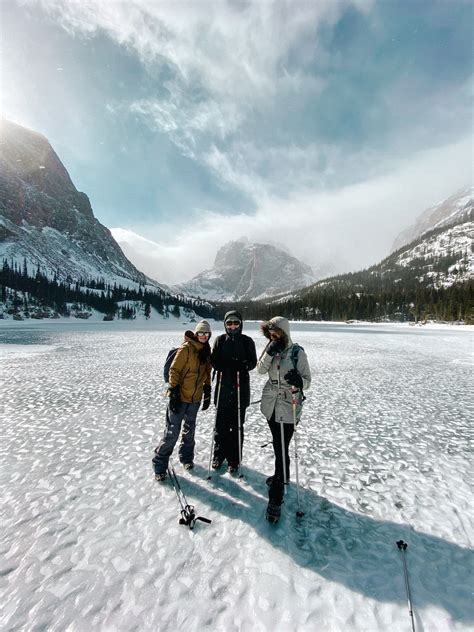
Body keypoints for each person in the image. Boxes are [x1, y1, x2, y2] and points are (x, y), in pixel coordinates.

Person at [257, 316, 311, 522]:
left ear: (285, 333)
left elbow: (308, 381)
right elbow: (260, 370)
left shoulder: (297, 353)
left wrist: (299, 381)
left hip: (289, 406)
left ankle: (276, 498)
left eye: (276, 333)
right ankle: (283, 476)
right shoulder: (270, 348)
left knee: (281, 446)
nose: (273, 337)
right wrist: (269, 353)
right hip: (271, 404)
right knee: (278, 446)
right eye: (270, 334)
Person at [152, 320, 212, 481]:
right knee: (172, 432)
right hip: (180, 397)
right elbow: (174, 370)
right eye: (201, 333)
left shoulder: (206, 350)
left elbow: (207, 372)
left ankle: (186, 459)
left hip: (195, 399)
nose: (203, 336)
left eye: (206, 333)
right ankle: (159, 464)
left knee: (189, 431)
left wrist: (207, 390)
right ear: (196, 333)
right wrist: (174, 391)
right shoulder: (186, 348)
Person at [210, 310, 257, 473]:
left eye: (236, 323)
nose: (232, 326)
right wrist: (220, 364)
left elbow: (253, 362)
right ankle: (218, 455)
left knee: (237, 427)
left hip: (240, 391)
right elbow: (213, 360)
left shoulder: (247, 341)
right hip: (223, 390)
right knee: (220, 426)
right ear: (225, 325)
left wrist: (243, 365)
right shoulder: (220, 340)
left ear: (241, 324)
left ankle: (234, 460)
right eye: (229, 323)